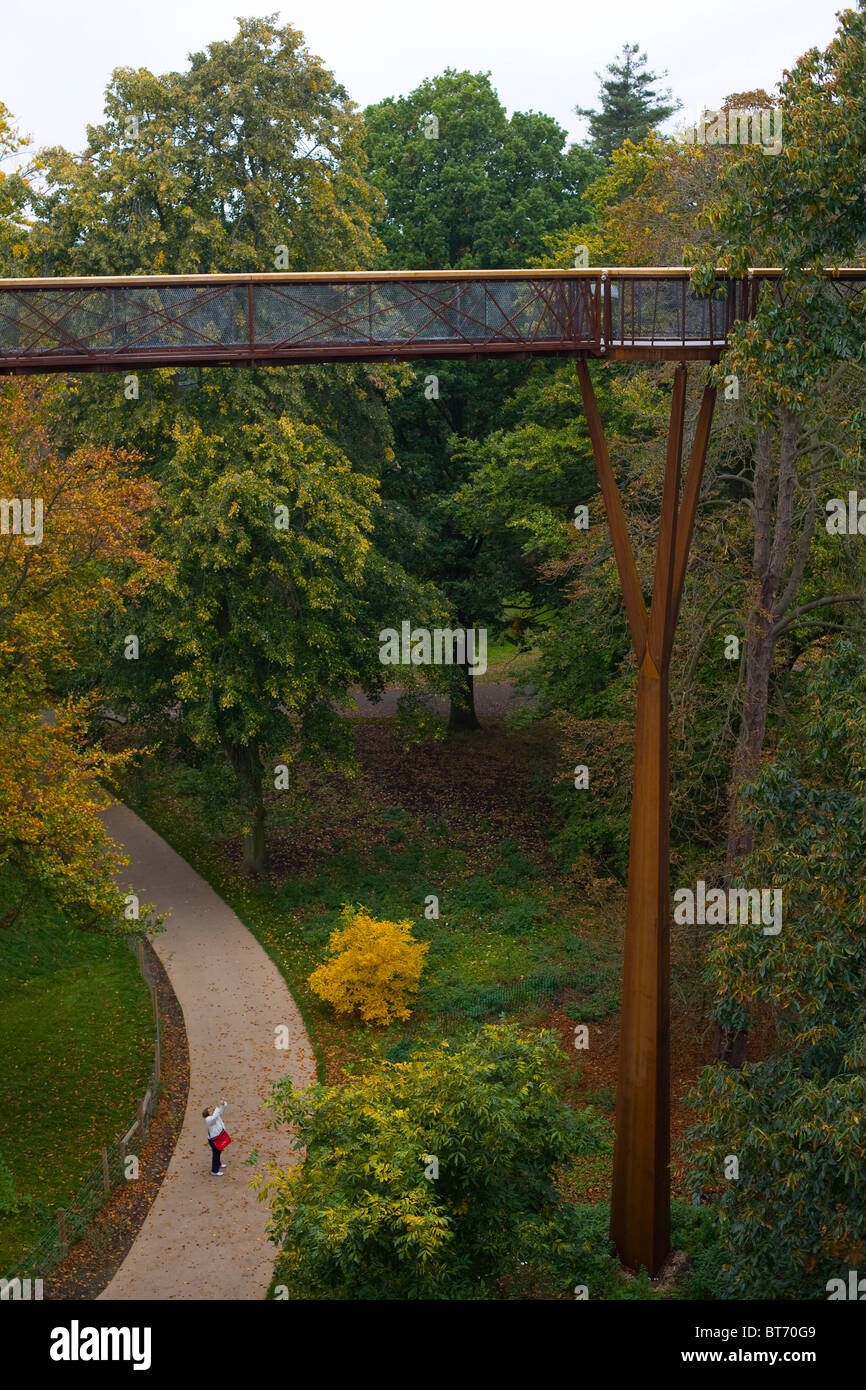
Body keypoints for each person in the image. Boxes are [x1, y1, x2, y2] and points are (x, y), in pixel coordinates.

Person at [203, 1100, 228, 1175]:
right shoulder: (208, 1119)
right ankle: (214, 1171)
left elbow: (222, 1109)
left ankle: (218, 1164)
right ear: (207, 1113)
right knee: (216, 1153)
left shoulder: (215, 1115)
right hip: (214, 1139)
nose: (212, 1110)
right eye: (210, 1110)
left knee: (219, 1151)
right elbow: (215, 1116)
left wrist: (223, 1104)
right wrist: (217, 1107)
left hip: (219, 1136)